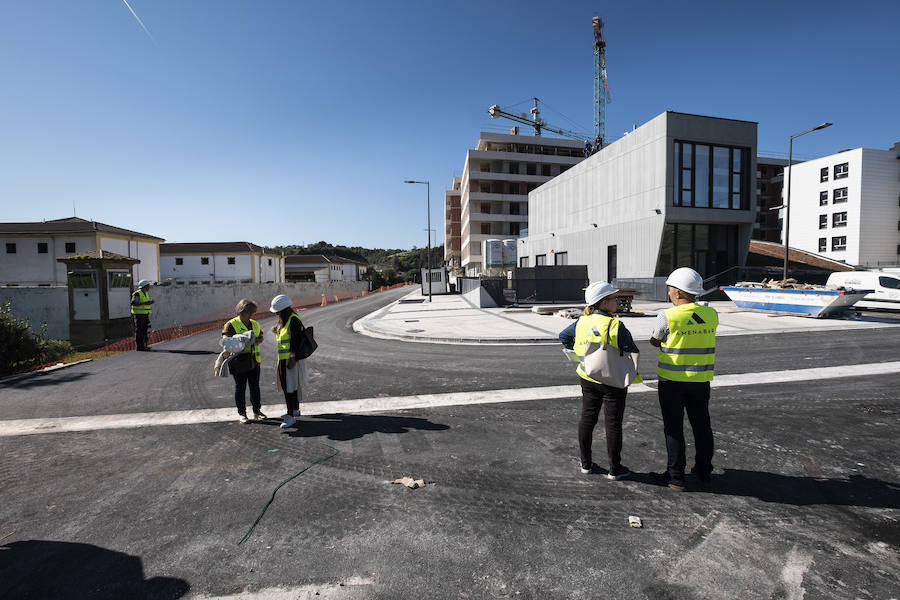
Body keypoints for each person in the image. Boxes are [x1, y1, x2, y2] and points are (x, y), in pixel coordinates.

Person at [559, 281, 640, 480]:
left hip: (587, 375)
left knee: (587, 418)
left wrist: (582, 353)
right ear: (604, 303)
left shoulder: (582, 321)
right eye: (614, 298)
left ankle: (586, 464)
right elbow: (632, 350)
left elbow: (563, 336)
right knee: (613, 424)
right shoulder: (615, 325)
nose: (617, 301)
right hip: (612, 380)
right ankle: (615, 468)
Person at [649, 267, 718, 492]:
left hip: (672, 381)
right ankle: (704, 472)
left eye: (670, 288)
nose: (669, 292)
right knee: (702, 426)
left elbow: (655, 340)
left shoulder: (667, 315)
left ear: (678, 292)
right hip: (700, 380)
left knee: (674, 428)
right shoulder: (711, 314)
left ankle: (675, 477)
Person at [222, 299, 266, 424]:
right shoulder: (231, 324)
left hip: (254, 361)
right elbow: (225, 340)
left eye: (253, 313)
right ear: (242, 311)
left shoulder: (255, 324)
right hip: (238, 362)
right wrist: (240, 340)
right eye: (250, 312)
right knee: (240, 388)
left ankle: (257, 411)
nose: (252, 315)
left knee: (255, 387)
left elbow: (261, 336)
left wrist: (257, 340)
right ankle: (242, 414)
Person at [270, 294, 307, 429]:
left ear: (283, 309)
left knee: (288, 388)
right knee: (292, 386)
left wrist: (292, 358)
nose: (276, 314)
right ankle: (295, 409)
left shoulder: (293, 320)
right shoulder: (285, 320)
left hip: (290, 360)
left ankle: (290, 416)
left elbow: (296, 341)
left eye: (277, 311)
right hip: (284, 359)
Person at [130, 279, 155, 351]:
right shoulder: (137, 293)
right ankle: (139, 346)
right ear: (144, 286)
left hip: (145, 315)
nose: (149, 287)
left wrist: (149, 303)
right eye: (148, 286)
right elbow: (134, 303)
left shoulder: (146, 293)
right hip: (139, 315)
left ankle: (144, 345)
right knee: (140, 331)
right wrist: (146, 303)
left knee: (144, 330)